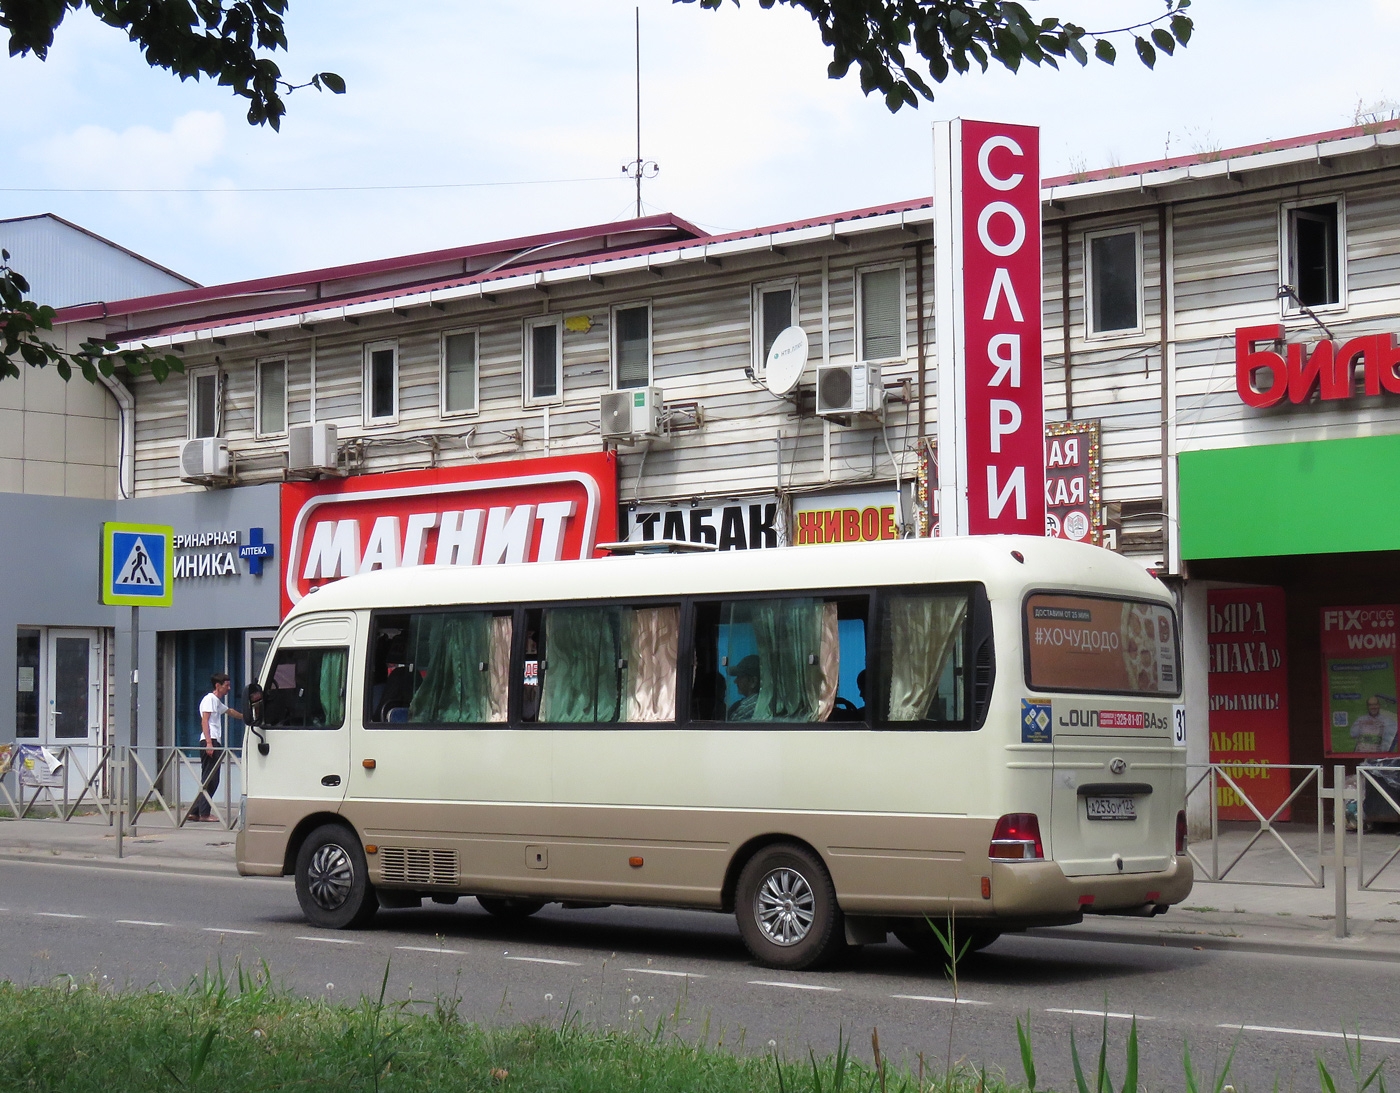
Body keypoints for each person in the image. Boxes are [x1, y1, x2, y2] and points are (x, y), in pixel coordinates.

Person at [191, 673, 244, 822]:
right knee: (212, 779)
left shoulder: (217, 702)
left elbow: (230, 711)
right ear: (217, 686)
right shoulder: (209, 699)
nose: (229, 688)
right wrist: (209, 742)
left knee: (208, 778)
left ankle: (195, 811)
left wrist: (245, 716)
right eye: (226, 685)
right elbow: (205, 721)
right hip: (211, 740)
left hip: (213, 741)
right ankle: (204, 813)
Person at [727, 654, 761, 721]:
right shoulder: (763, 703)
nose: (735, 681)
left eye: (740, 677)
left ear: (753, 681)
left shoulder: (746, 708)